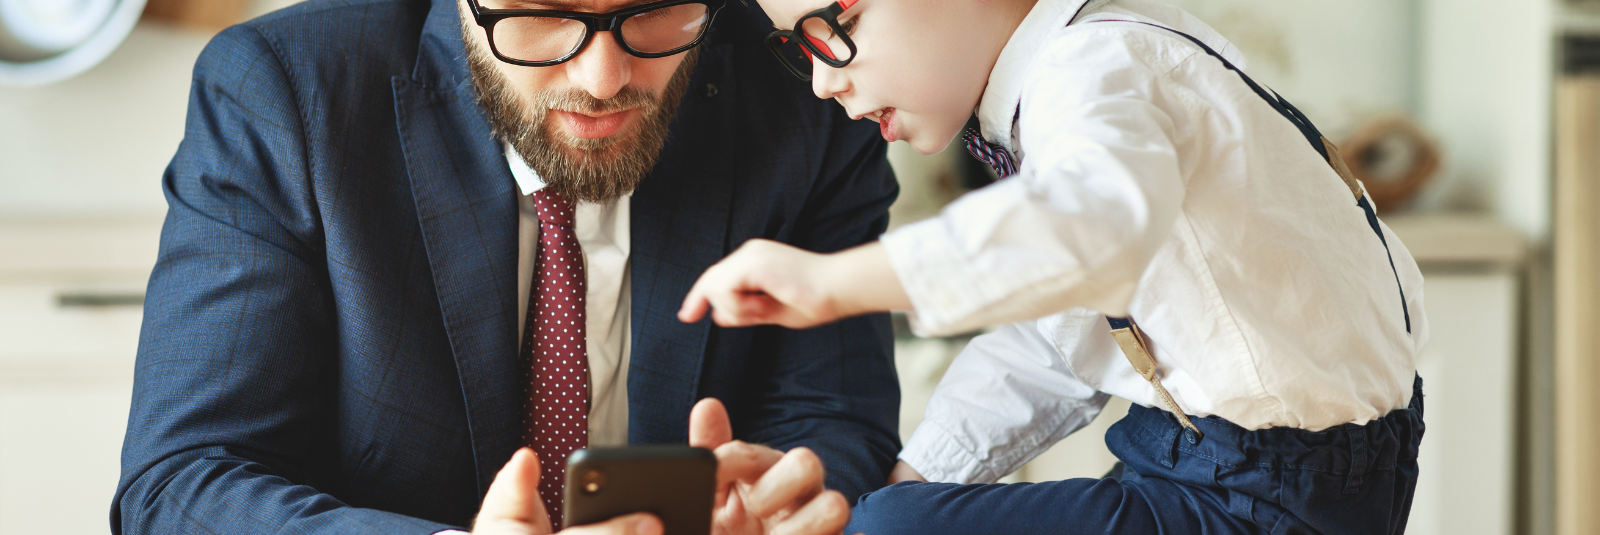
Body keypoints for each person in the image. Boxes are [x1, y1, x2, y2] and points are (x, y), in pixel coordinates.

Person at [111, 0, 903, 532]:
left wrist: (780, 499)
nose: (604, 79)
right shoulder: (283, 91)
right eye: (545, 12)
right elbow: (181, 483)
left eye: (655, 7)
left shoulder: (810, 96)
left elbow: (835, 422)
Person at [679, 0, 1429, 532]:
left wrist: (831, 281)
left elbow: (1087, 229)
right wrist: (912, 477)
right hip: (1225, 461)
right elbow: (1054, 341)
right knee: (892, 512)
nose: (822, 80)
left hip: (1262, 490)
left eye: (835, 28)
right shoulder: (1100, 59)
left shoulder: (1093, 67)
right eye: (797, 49)